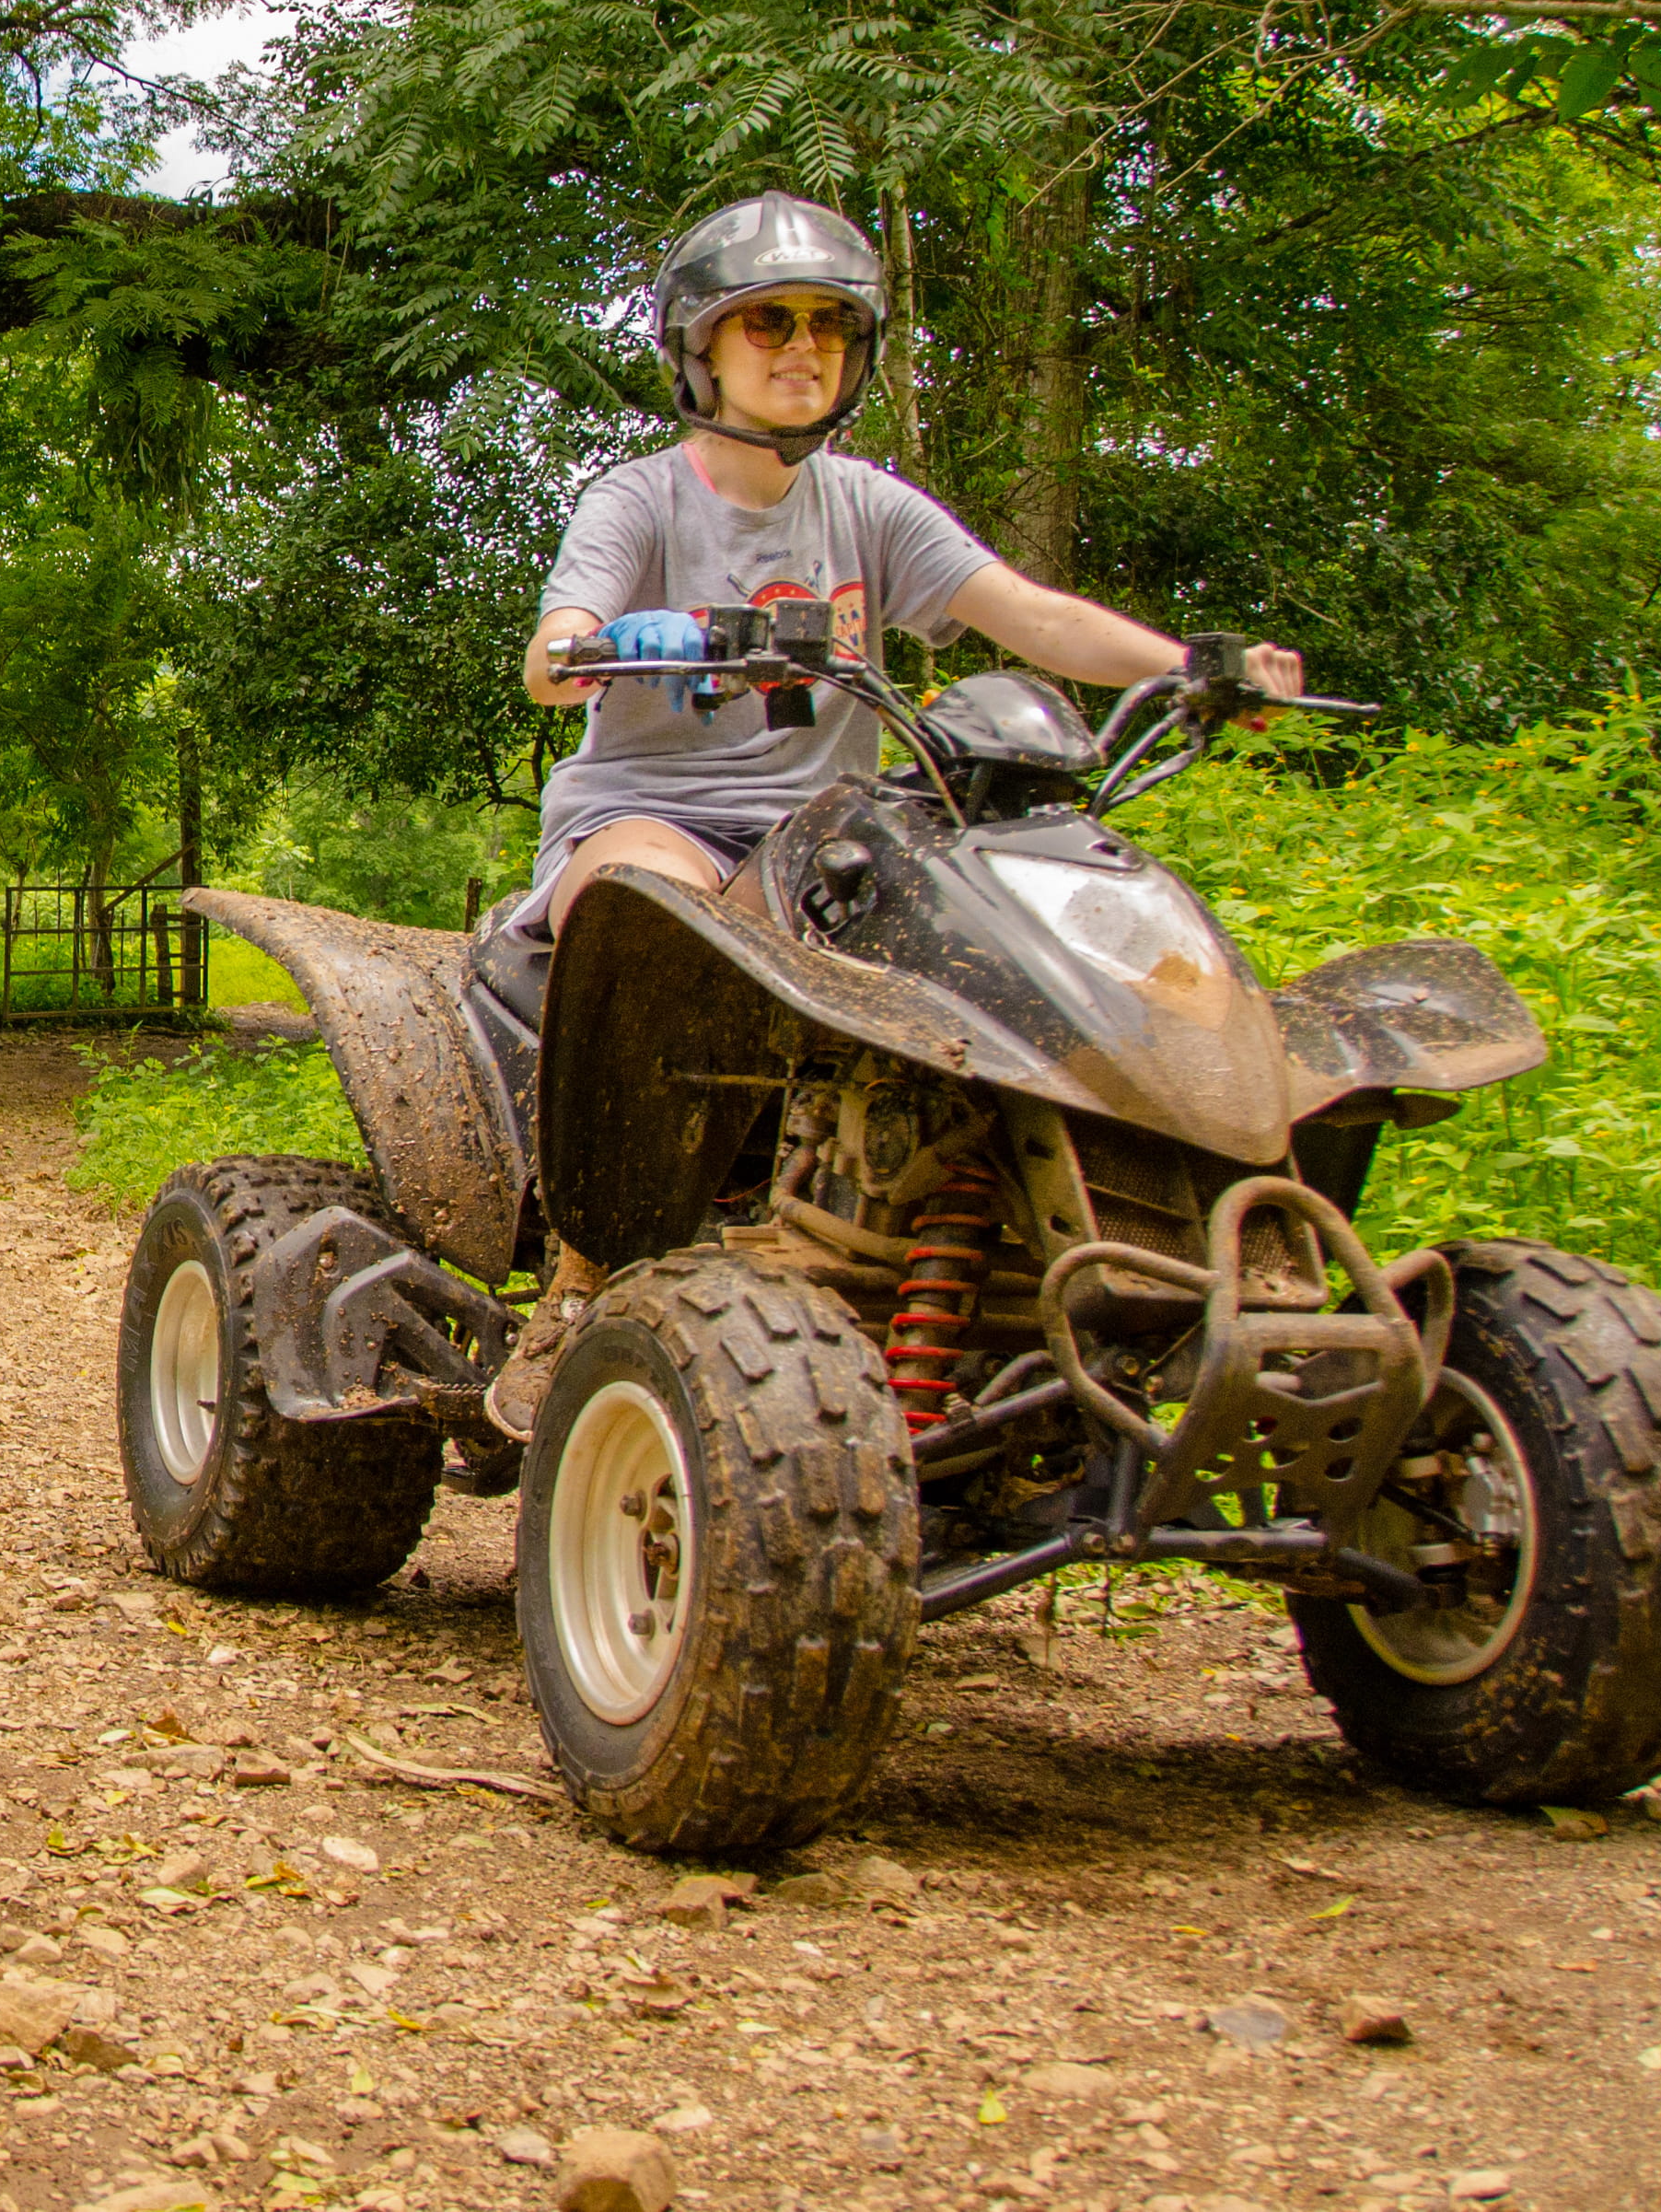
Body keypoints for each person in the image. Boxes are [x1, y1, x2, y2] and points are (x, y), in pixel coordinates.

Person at [482, 190, 1306, 1436]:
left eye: (826, 324)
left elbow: (1025, 614)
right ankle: (586, 1267)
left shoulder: (868, 506)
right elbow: (553, 654)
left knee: (1001, 937)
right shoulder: (640, 500)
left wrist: (1187, 663)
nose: (800, 348)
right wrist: (603, 642)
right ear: (701, 347)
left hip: (832, 837)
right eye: (767, 324)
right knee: (648, 909)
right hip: (659, 815)